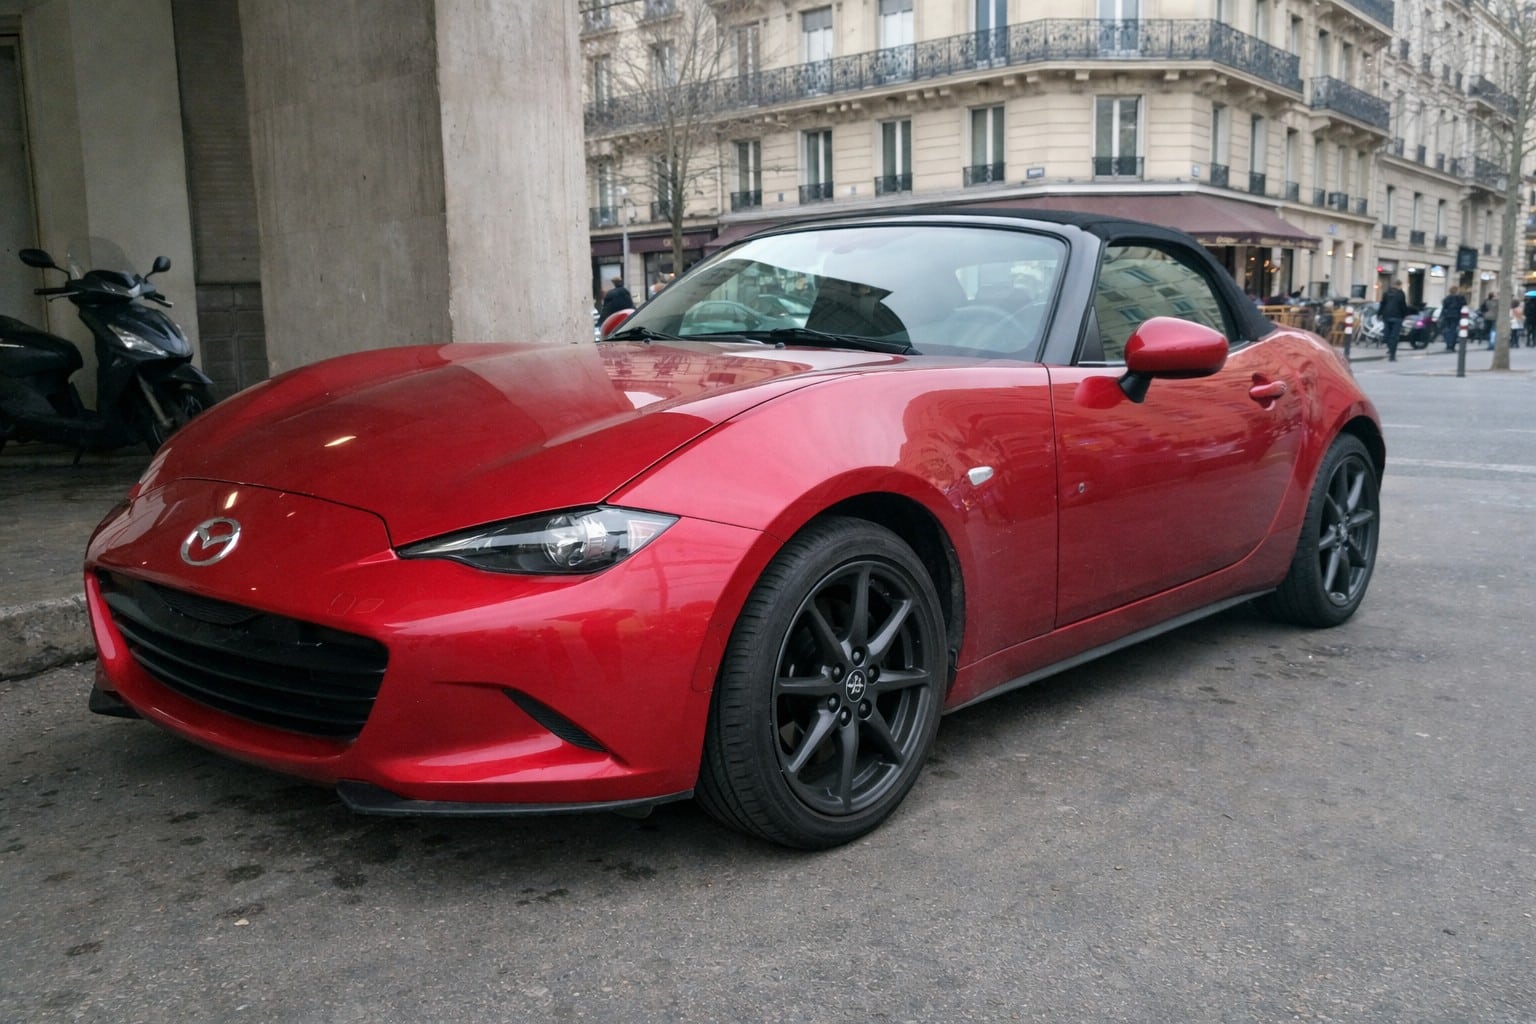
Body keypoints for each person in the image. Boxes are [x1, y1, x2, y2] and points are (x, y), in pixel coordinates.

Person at [1379, 278, 1408, 362]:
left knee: (1387, 335)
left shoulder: (1386, 293)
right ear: (1399, 285)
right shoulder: (1401, 293)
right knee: (1394, 336)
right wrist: (1405, 315)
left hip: (1387, 316)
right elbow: (1403, 305)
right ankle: (1392, 355)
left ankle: (1390, 348)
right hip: (1397, 317)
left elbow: (1382, 304)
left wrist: (1379, 314)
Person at [1440, 287, 1466, 351]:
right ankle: (1451, 345)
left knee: (1448, 330)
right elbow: (1464, 304)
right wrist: (1462, 295)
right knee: (1453, 330)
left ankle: (1448, 344)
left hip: (1447, 316)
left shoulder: (1447, 298)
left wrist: (1442, 316)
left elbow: (1444, 307)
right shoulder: (1459, 298)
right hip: (1455, 316)